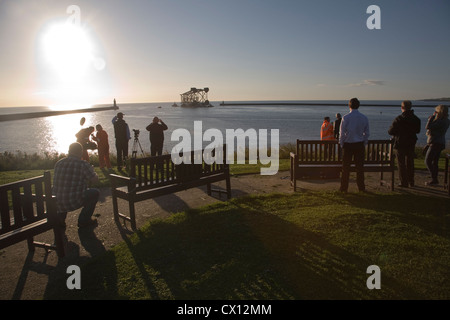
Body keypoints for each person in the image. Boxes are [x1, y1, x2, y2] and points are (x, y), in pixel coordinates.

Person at [53, 142, 100, 228]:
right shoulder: (83, 164)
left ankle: (61, 220)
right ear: (80, 152)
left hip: (58, 202)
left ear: (69, 151)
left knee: (64, 190)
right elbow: (95, 180)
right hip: (74, 201)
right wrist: (92, 171)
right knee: (95, 193)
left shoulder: (59, 163)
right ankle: (84, 220)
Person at [339, 98, 370, 192]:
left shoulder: (346, 117)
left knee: (346, 168)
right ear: (358, 106)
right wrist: (364, 143)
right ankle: (361, 188)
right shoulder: (364, 117)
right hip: (359, 145)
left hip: (348, 145)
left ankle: (344, 188)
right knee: (360, 168)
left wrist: (341, 144)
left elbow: (342, 133)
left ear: (349, 106)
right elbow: (367, 133)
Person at [387, 100, 421, 187]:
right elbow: (418, 130)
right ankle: (411, 181)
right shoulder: (416, 119)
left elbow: (391, 131)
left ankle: (404, 182)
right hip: (411, 143)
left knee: (401, 163)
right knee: (410, 162)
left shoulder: (399, 119)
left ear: (402, 107)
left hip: (400, 143)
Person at [424, 105, 449, 186]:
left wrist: (431, 118)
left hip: (435, 143)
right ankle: (434, 179)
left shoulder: (440, 121)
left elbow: (428, 127)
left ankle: (434, 179)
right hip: (440, 142)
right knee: (435, 162)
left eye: (436, 111)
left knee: (427, 161)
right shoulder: (446, 121)